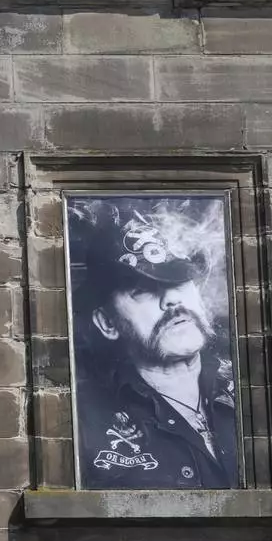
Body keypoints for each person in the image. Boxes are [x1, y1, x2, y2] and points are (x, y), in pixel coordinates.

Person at [68, 199, 239, 489]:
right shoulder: (83, 417)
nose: (172, 299)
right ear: (107, 323)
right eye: (143, 291)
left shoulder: (250, 386)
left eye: (179, 281)